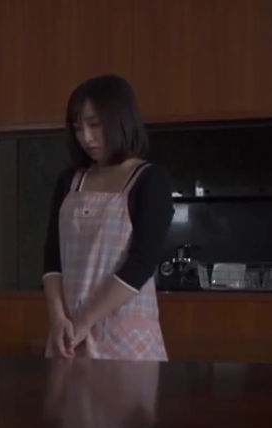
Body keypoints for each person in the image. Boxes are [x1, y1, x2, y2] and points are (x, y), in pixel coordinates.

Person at [42, 75, 174, 360]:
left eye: (95, 124)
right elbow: (53, 258)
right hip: (69, 337)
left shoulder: (150, 180)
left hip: (127, 341)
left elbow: (141, 264)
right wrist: (58, 318)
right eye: (78, 128)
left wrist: (85, 319)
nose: (86, 138)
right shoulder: (69, 182)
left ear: (120, 120)